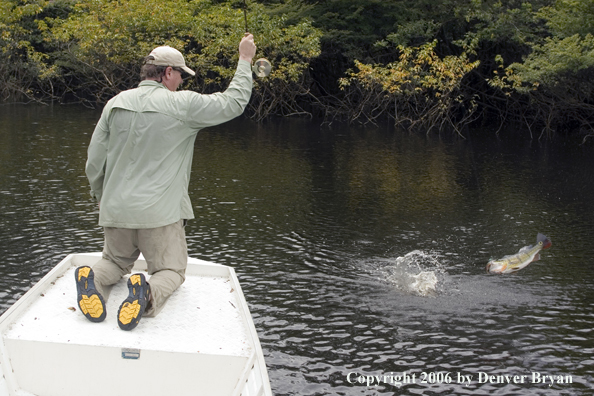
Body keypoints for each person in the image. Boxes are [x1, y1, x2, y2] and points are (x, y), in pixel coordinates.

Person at [76, 34, 257, 331]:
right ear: (168, 72)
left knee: (114, 262)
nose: (182, 83)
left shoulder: (115, 103)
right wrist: (245, 59)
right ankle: (146, 293)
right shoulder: (183, 105)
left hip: (116, 210)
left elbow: (94, 160)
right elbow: (233, 102)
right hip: (159, 215)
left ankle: (90, 279)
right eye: (180, 76)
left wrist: (101, 196)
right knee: (171, 270)